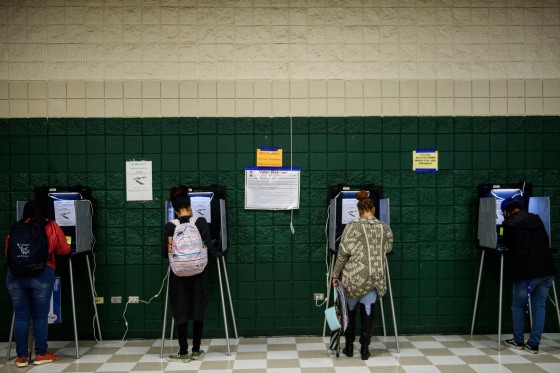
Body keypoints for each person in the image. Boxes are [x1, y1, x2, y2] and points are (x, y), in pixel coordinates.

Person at [5, 200, 71, 367]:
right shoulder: (51, 225)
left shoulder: (17, 227)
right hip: (41, 274)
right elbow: (64, 249)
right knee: (40, 316)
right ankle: (41, 354)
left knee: (21, 317)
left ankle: (21, 357)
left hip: (15, 275)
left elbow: (8, 251)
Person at [331, 190, 393, 360]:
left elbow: (343, 253)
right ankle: (365, 349)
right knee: (368, 311)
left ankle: (349, 347)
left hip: (354, 278)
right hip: (375, 278)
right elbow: (388, 248)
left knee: (350, 311)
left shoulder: (352, 226)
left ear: (359, 211)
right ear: (373, 209)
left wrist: (335, 274)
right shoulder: (384, 228)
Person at [162, 185, 216, 363]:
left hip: (178, 275)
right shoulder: (200, 222)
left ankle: (183, 351)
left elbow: (165, 253)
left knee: (181, 310)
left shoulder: (170, 226)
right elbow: (209, 248)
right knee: (198, 309)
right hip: (199, 274)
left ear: (175, 211)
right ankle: (197, 350)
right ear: (190, 207)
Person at [501, 197, 557, 354]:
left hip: (527, 272)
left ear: (506, 211)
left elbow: (507, 245)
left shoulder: (509, 224)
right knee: (540, 305)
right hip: (547, 269)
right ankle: (533, 344)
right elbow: (545, 241)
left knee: (518, 305)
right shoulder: (536, 218)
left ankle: (518, 340)